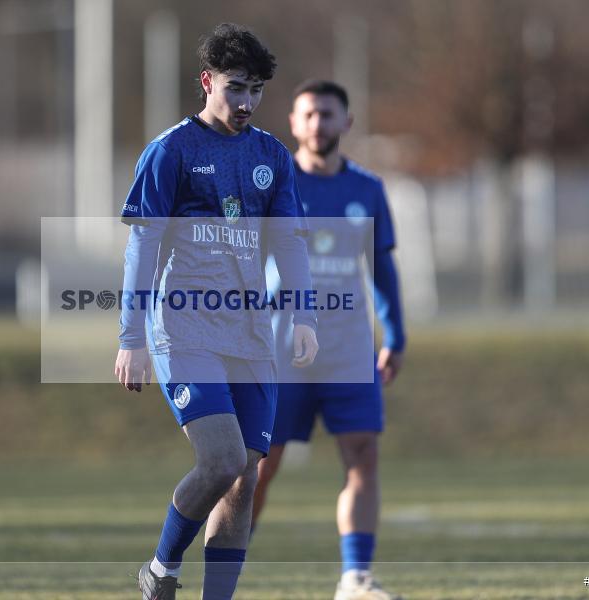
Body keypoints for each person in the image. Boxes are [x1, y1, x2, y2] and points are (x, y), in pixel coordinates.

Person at [115, 23, 318, 600]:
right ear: (207, 82)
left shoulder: (271, 155)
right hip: (184, 330)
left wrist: (304, 315)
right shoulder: (171, 151)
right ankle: (161, 568)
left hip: (250, 335)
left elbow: (290, 243)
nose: (246, 102)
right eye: (236, 88)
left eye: (256, 90)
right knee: (223, 460)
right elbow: (142, 245)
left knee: (244, 478)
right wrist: (131, 337)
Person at [251, 80, 406, 600]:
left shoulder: (368, 189)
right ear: (294, 123)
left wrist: (395, 334)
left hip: (349, 353)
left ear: (347, 122)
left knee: (363, 457)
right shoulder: (272, 186)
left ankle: (355, 579)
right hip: (280, 352)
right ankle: (222, 575)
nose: (318, 123)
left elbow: (381, 268)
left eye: (328, 114)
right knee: (257, 469)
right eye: (309, 114)